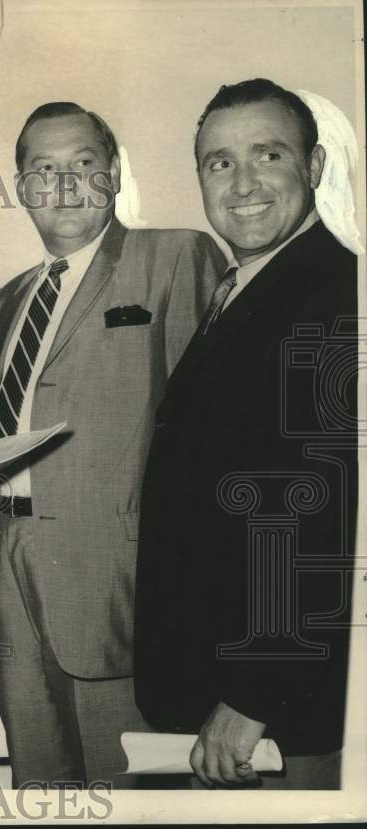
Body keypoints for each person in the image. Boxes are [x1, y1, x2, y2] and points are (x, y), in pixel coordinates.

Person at [0, 101, 223, 786]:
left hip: (118, 581)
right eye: (43, 169)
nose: (62, 184)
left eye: (82, 164)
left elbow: (207, 443)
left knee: (130, 789)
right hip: (5, 568)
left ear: (112, 175)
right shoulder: (7, 299)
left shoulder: (175, 257)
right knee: (39, 778)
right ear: (22, 187)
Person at [135, 78, 356, 790]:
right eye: (220, 162)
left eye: (269, 155)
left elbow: (318, 511)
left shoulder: (333, 297)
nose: (245, 183)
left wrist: (255, 693)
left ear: (314, 167)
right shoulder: (251, 286)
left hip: (267, 719)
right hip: (214, 691)